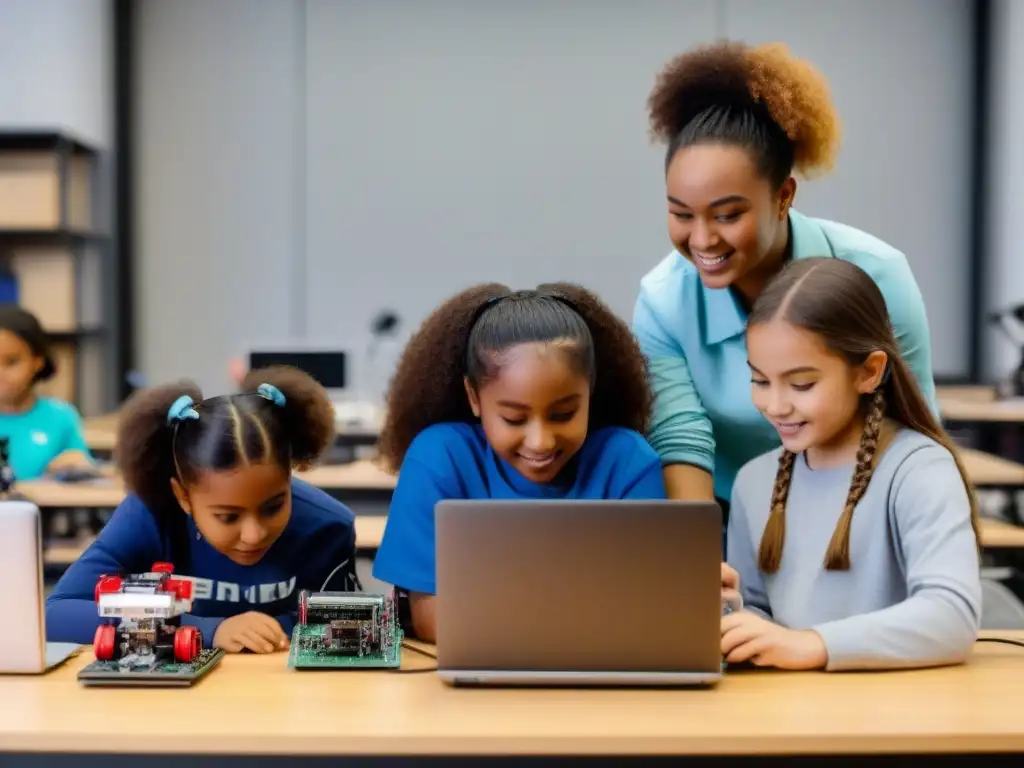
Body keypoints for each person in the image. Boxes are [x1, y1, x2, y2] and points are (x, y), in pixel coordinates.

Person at [632, 40, 937, 514]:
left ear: (783, 196)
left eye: (728, 215)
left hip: (857, 511)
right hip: (729, 517)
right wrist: (700, 557)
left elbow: (909, 428)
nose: (703, 239)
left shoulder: (879, 276)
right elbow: (681, 439)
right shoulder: (662, 301)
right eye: (681, 214)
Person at [722, 257, 981, 672]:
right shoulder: (753, 481)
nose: (775, 405)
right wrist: (733, 616)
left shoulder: (919, 470)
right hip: (785, 717)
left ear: (869, 372)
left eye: (802, 384)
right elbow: (759, 616)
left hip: (896, 720)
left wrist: (813, 644)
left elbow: (952, 617)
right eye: (759, 380)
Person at [372, 283, 666, 641]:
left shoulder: (628, 463)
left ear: (591, 389)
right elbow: (432, 618)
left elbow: (648, 609)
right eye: (514, 419)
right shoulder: (438, 458)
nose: (540, 441)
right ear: (474, 397)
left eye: (564, 414)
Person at [45, 366, 360, 653]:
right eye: (228, 516)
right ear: (182, 496)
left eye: (273, 506)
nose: (254, 534)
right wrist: (205, 629)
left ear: (289, 477)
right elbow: (57, 615)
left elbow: (351, 629)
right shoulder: (149, 516)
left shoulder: (327, 526)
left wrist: (280, 629)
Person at [0, 305, 93, 480]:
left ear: (37, 361)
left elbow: (82, 468)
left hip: (43, 506)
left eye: (11, 362)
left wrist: (73, 465)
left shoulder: (60, 416)